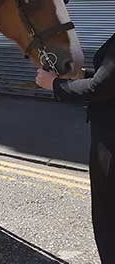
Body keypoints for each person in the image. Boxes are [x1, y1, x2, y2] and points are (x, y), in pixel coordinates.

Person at [36, 35, 115, 263]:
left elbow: (96, 89)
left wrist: (54, 84)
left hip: (110, 141)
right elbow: (107, 82)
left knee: (107, 216)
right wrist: (78, 76)